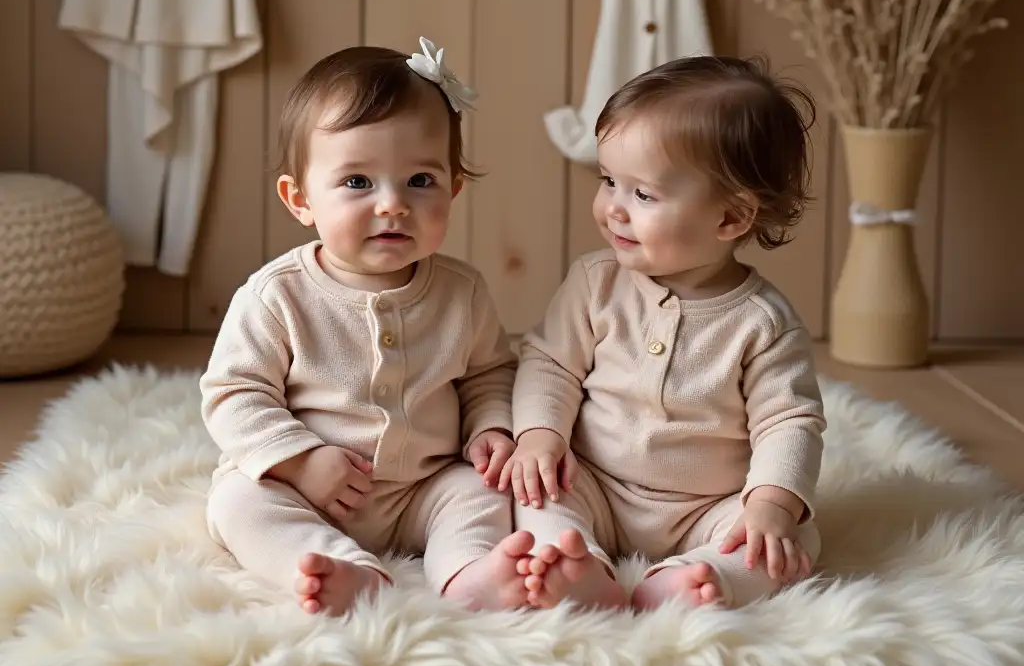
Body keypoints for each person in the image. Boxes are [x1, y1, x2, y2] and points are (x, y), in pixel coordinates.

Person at [201, 38, 533, 615]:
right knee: (237, 504)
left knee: (483, 494)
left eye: (420, 181)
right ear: (300, 198)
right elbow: (233, 394)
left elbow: (489, 375)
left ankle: (468, 574)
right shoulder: (277, 295)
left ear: (454, 189)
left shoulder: (462, 292)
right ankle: (339, 568)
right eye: (358, 182)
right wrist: (300, 460)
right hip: (305, 490)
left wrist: (491, 430)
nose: (392, 205)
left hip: (421, 488)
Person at [501, 55, 827, 611]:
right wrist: (539, 435)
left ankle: (696, 581)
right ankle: (574, 565)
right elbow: (549, 364)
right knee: (533, 493)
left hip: (709, 507)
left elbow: (790, 420)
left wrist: (770, 503)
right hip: (595, 482)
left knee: (790, 542)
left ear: (729, 219)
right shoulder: (595, 282)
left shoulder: (762, 322)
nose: (612, 210)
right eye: (608, 182)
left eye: (643, 195)